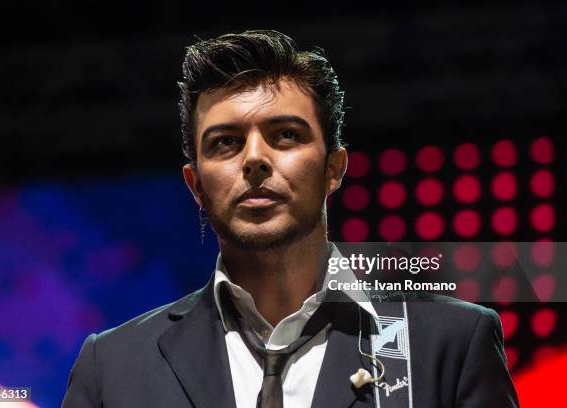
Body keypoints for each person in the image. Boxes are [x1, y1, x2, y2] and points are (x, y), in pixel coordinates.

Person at [62, 30, 519, 407]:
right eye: (225, 142)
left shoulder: (451, 343)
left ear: (334, 168)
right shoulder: (114, 367)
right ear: (196, 186)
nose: (254, 159)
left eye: (285, 135)